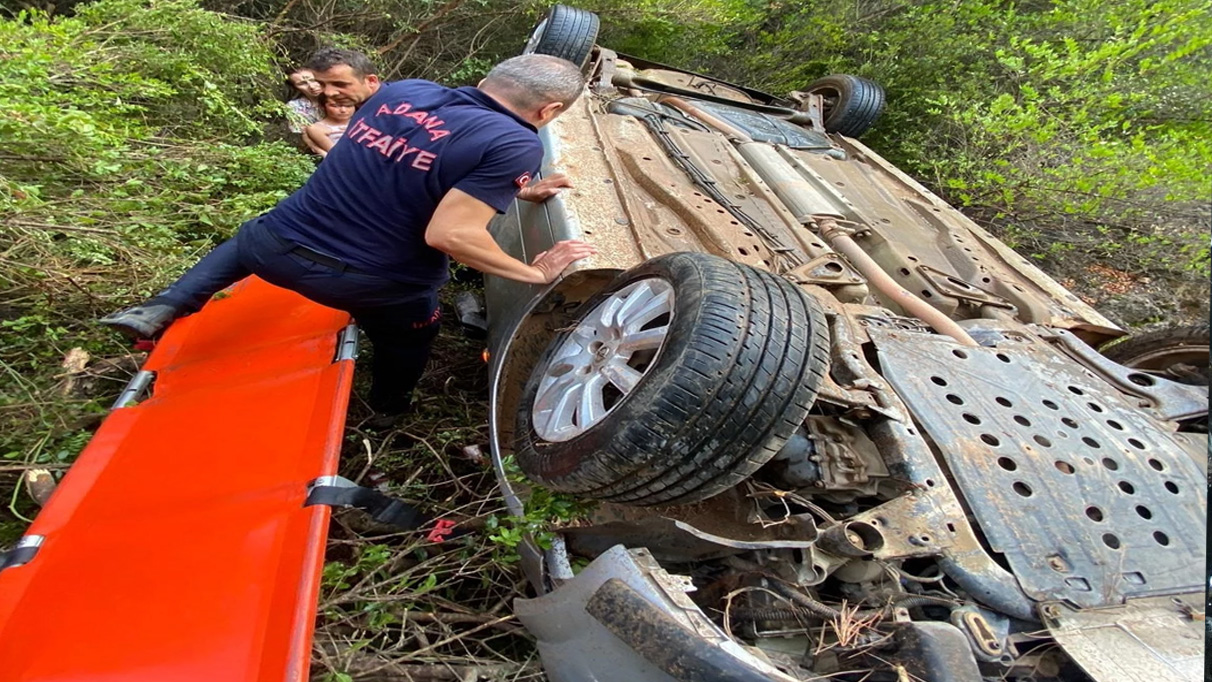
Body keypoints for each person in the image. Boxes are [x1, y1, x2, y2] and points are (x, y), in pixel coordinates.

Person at [101, 48, 595, 426]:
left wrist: (514, 190)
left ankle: (165, 304)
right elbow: (451, 233)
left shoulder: (403, 91)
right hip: (371, 283)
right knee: (414, 336)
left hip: (271, 250)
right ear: (549, 110)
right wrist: (533, 271)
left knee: (251, 234)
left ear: (488, 80)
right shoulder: (515, 141)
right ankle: (388, 409)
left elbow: (399, 163)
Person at [284, 68, 323, 134]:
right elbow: (299, 132)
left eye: (313, 80)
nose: (312, 86)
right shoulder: (293, 107)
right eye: (302, 83)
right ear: (295, 87)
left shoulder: (337, 98)